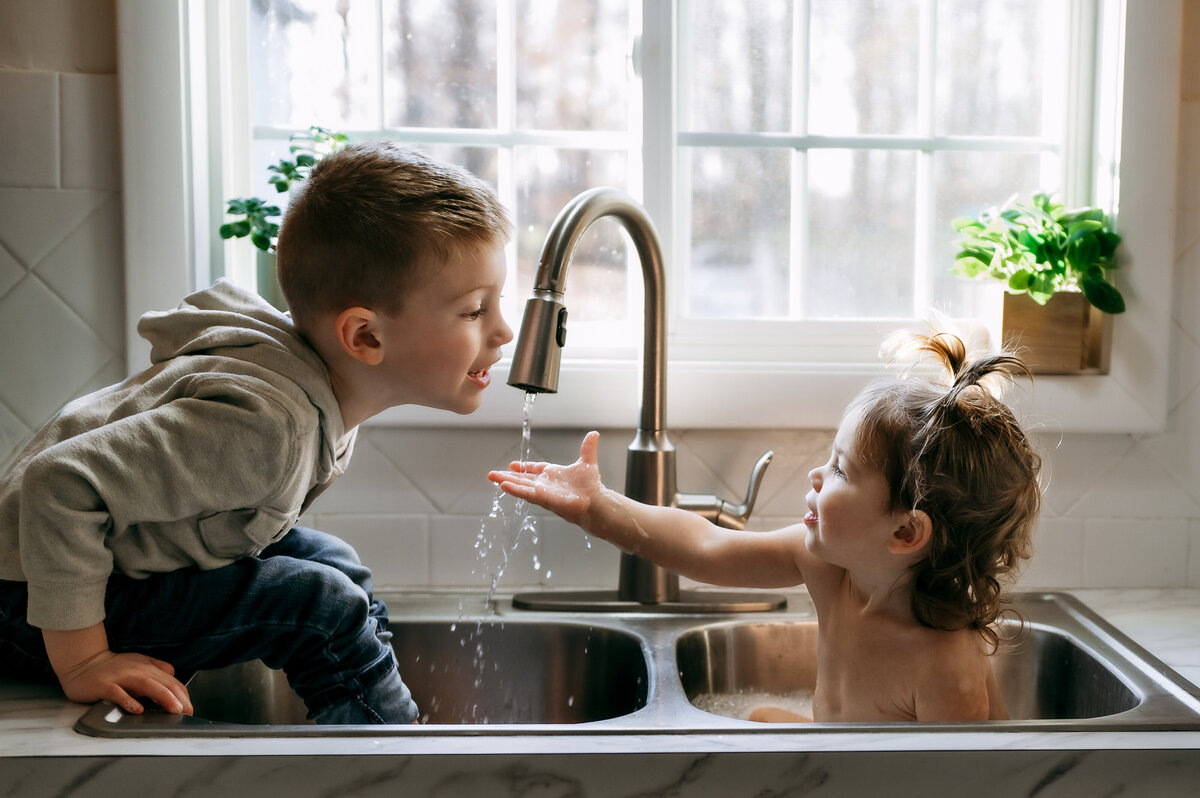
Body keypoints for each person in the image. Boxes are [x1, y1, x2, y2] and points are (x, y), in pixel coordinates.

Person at [0, 143, 513, 724]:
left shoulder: (320, 391)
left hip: (95, 570)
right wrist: (83, 660)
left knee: (335, 565)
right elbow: (59, 482)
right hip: (23, 605)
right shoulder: (268, 427)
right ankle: (395, 758)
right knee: (322, 605)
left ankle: (373, 695)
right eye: (475, 311)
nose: (505, 331)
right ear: (365, 338)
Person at [489, 333, 1040, 722]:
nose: (817, 473)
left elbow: (969, 782)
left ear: (904, 533)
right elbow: (708, 548)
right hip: (837, 760)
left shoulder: (945, 663)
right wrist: (600, 509)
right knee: (755, 717)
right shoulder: (826, 565)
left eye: (842, 469)